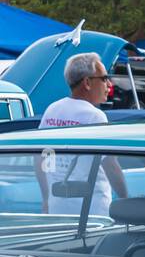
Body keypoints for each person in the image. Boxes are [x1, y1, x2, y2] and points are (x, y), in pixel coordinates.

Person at [35, 51, 127, 219]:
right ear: (87, 82)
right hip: (92, 213)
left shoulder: (52, 110)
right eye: (104, 78)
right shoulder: (95, 116)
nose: (109, 84)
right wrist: (126, 200)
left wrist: (46, 198)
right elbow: (111, 166)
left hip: (58, 208)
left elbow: (40, 158)